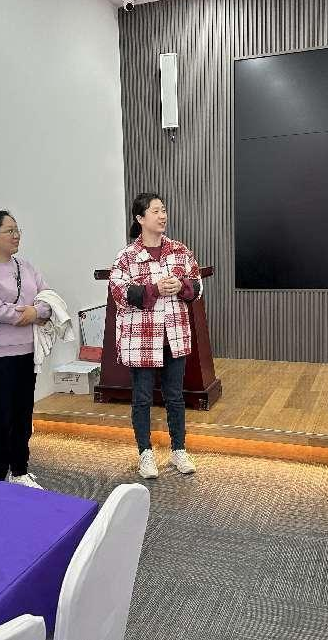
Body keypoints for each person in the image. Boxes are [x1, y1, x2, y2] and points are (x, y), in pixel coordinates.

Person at [109, 192, 202, 479]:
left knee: (175, 396)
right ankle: (145, 453)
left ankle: (178, 450)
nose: (162, 216)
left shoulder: (180, 250)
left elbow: (198, 286)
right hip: (142, 340)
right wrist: (154, 289)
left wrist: (182, 286)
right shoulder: (126, 256)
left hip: (174, 335)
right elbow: (119, 293)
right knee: (142, 398)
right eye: (155, 211)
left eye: (163, 210)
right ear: (140, 218)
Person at [0, 210, 51, 489]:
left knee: (22, 418)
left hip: (27, 353)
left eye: (17, 230)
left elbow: (48, 299)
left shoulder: (25, 266)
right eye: (9, 231)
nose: (16, 236)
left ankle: (20, 471)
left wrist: (37, 311)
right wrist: (29, 314)